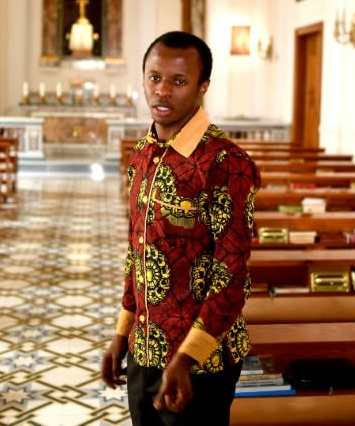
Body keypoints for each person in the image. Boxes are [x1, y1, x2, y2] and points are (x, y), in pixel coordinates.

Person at [101, 31, 261, 425]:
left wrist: (187, 358)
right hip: (145, 349)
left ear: (203, 87)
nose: (163, 92)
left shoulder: (225, 162)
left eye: (178, 81)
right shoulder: (141, 155)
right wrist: (122, 331)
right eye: (154, 78)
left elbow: (232, 273)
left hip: (201, 363)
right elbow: (137, 252)